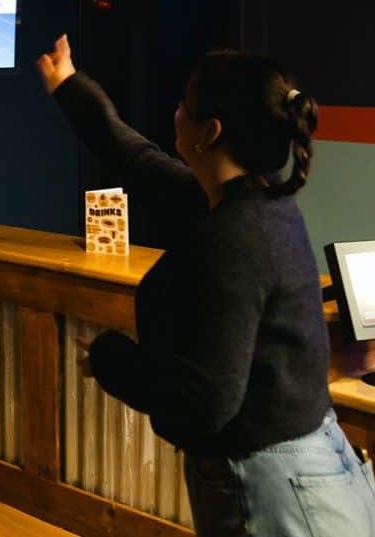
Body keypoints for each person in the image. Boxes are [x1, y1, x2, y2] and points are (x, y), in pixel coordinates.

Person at [36, 34, 375, 537]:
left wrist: (111, 359)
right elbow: (135, 158)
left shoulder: (234, 236)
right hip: (309, 470)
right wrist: (68, 85)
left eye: (186, 103)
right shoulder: (253, 204)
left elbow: (204, 402)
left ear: (208, 131)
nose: (177, 109)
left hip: (276, 491)